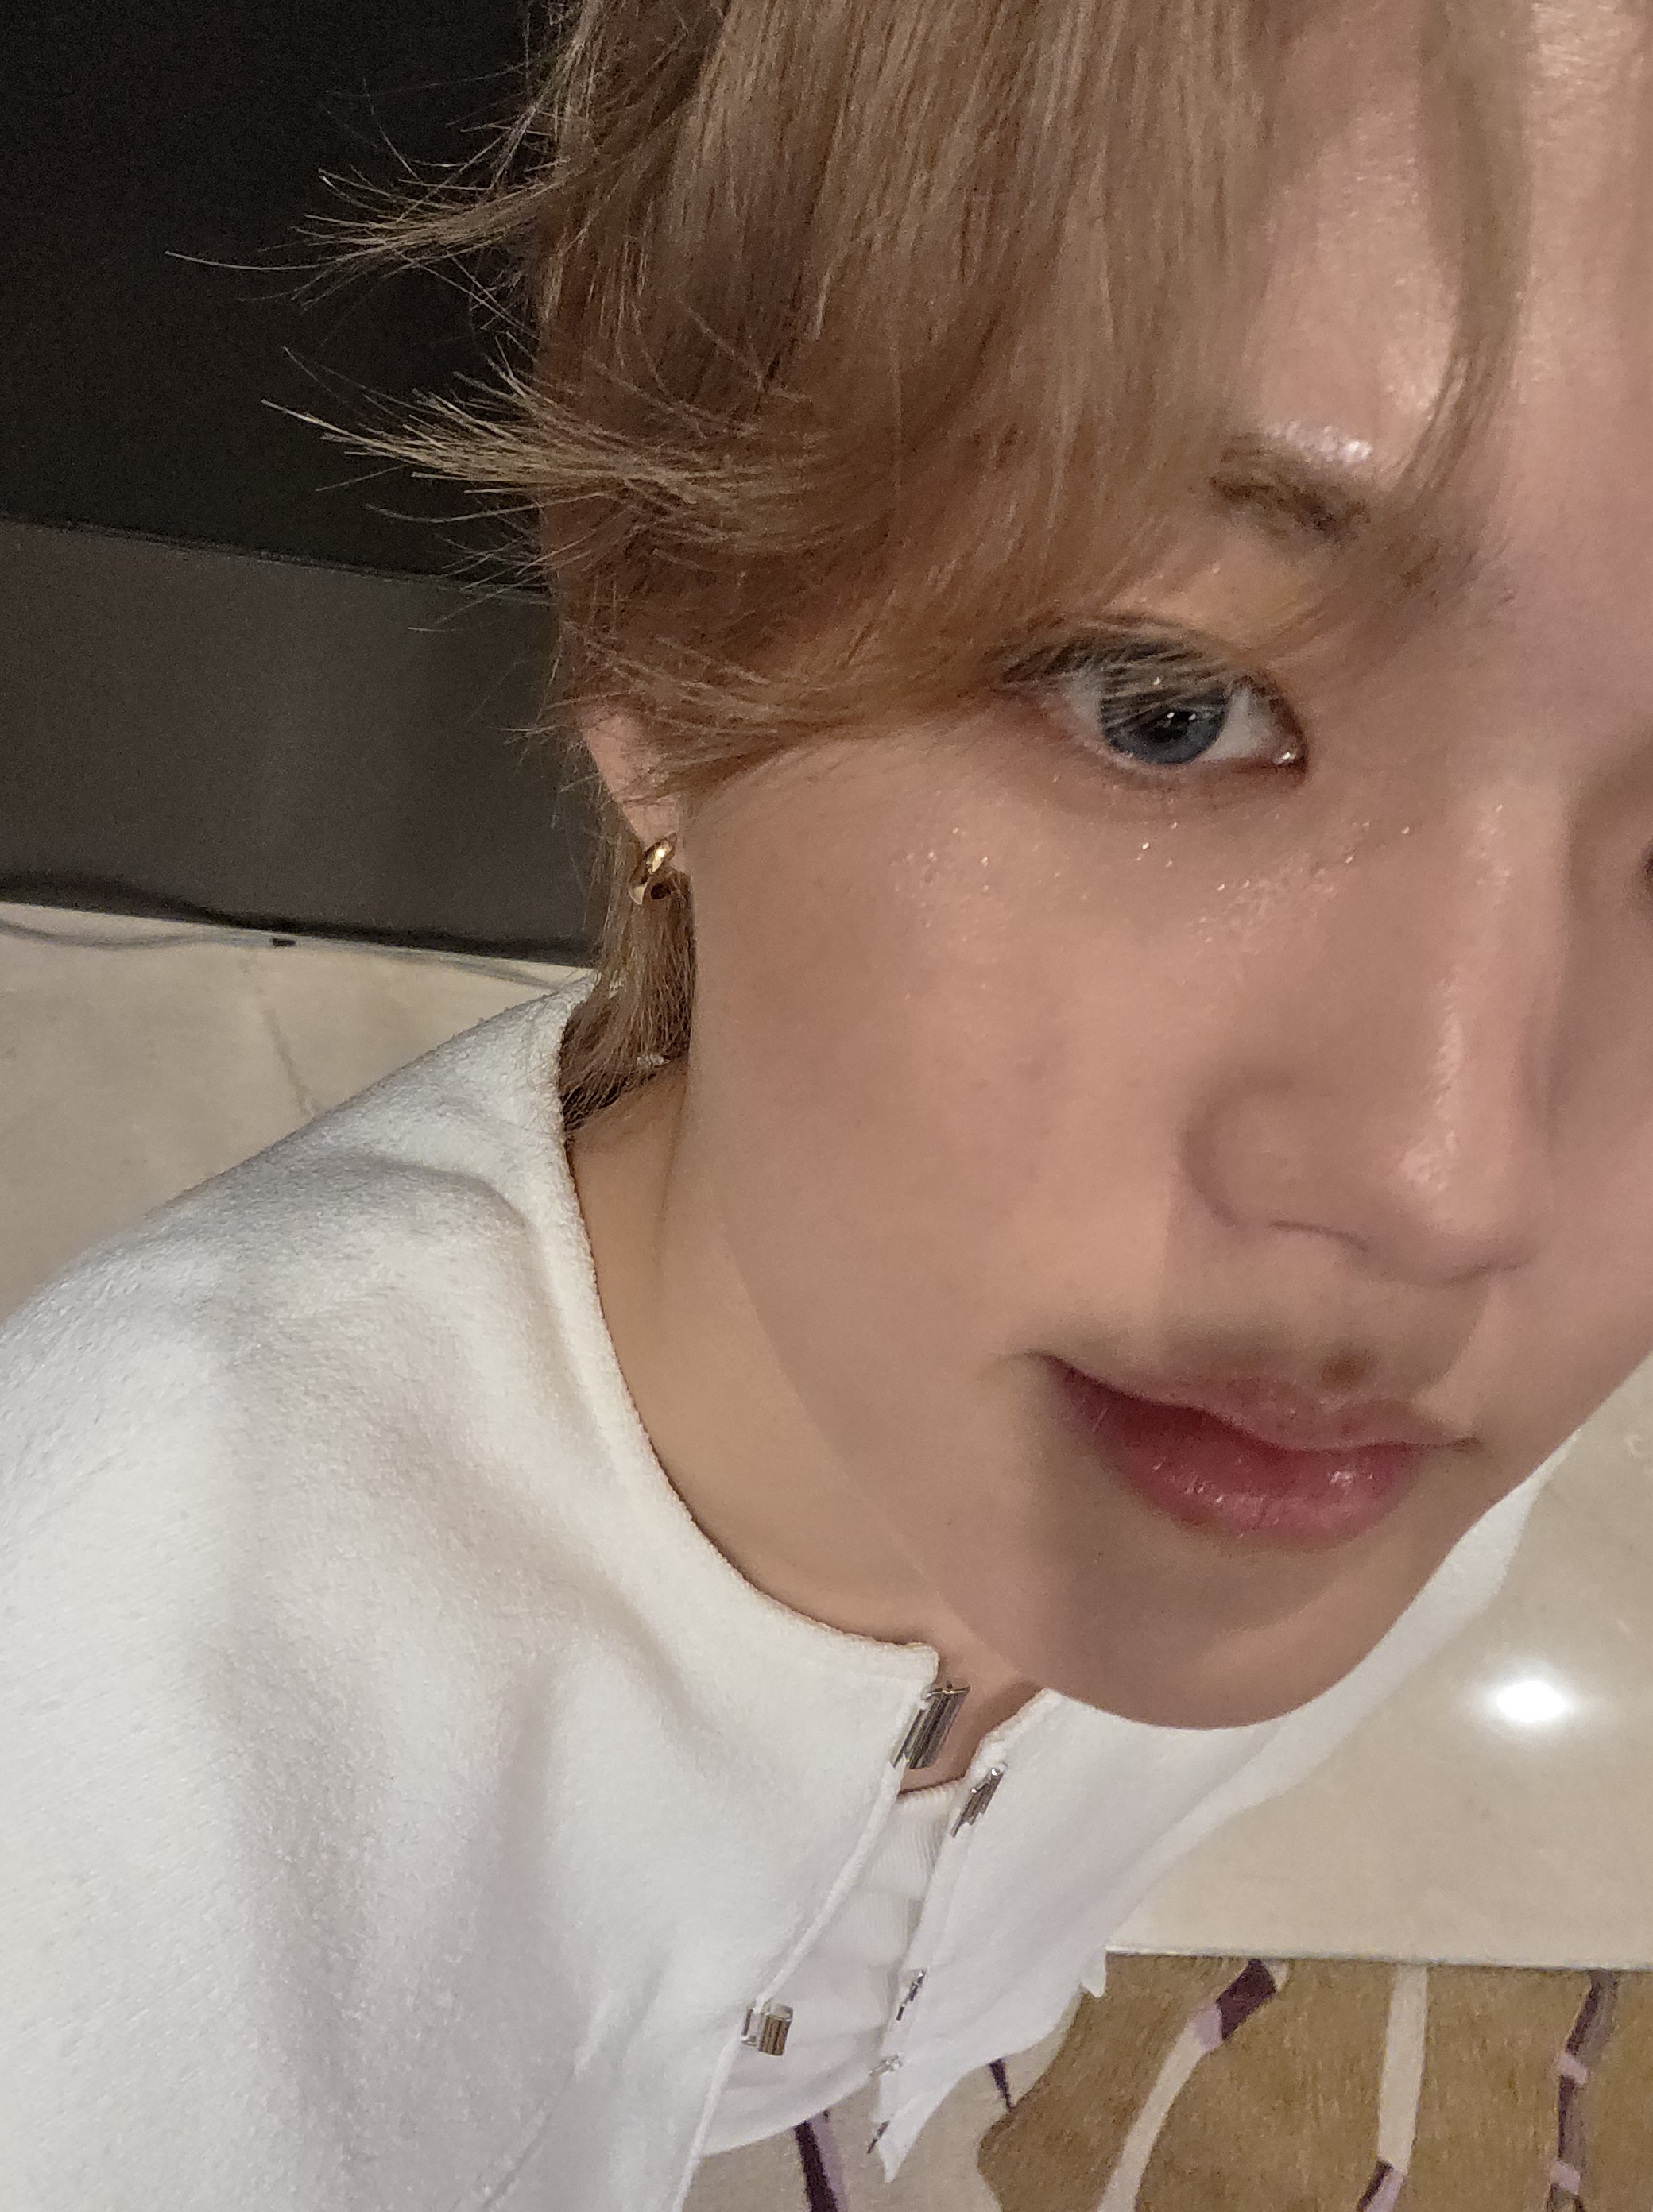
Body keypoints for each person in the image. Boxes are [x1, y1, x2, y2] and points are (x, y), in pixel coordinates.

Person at [4, 0, 1652, 2206]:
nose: (1454, 1184)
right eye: (1163, 705)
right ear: (657, 641)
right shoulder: (96, 1814)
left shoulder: (1324, 1449)